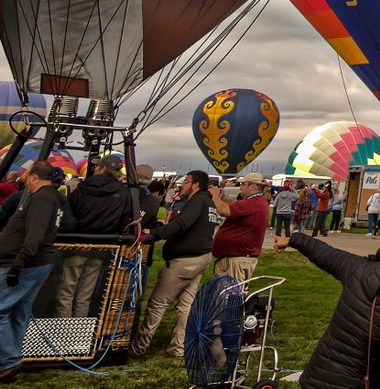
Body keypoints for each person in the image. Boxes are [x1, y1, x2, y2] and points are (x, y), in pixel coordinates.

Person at [280, 213, 380, 389]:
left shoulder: (359, 268)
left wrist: (294, 239)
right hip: (358, 382)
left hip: (319, 376)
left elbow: (324, 252)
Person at [0, 161, 65, 383]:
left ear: (34, 177)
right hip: (35, 263)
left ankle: (8, 361)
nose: (26, 182)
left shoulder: (42, 199)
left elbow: (35, 234)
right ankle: (8, 365)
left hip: (25, 264)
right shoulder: (52, 198)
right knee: (19, 312)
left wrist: (19, 263)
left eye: (28, 178)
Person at [131, 170, 217, 358]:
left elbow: (182, 223)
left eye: (186, 182)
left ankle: (139, 347)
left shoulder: (197, 201)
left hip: (183, 261)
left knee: (158, 304)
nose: (181, 185)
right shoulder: (209, 203)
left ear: (195, 185)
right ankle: (178, 347)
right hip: (201, 258)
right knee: (185, 305)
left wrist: (154, 235)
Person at [56, 152, 138, 317]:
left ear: (101, 168)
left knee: (66, 292)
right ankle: (78, 338)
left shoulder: (82, 188)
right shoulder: (123, 194)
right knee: (84, 296)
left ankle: (61, 336)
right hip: (101, 247)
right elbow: (124, 221)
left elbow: (70, 214)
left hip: (77, 245)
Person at [210, 172, 271, 281]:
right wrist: (222, 198)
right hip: (235, 258)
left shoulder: (254, 202)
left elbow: (223, 210)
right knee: (226, 294)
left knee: (232, 294)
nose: (240, 187)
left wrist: (214, 194)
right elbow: (236, 205)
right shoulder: (255, 202)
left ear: (253, 186)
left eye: (243, 184)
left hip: (237, 259)